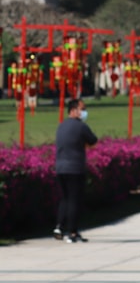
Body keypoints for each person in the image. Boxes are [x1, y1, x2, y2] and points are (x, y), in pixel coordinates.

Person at [54, 98, 98, 244]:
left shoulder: (61, 126)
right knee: (74, 200)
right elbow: (92, 140)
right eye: (82, 109)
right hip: (75, 168)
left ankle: (59, 227)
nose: (84, 112)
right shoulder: (81, 127)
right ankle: (72, 232)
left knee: (65, 198)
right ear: (73, 111)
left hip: (60, 167)